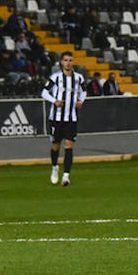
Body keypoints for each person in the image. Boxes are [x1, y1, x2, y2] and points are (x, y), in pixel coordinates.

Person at [42, 51, 86, 186]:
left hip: (71, 118)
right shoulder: (55, 78)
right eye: (66, 60)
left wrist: (81, 101)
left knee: (69, 145)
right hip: (56, 118)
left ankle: (66, 176)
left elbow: (83, 91)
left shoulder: (79, 78)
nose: (68, 63)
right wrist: (55, 101)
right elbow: (44, 92)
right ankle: (55, 167)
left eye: (70, 60)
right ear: (61, 62)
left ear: (73, 62)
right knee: (56, 146)